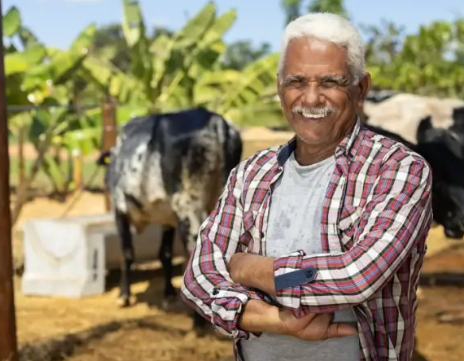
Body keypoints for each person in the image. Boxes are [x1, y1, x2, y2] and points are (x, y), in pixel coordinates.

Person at [180, 12, 432, 361]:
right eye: (297, 81)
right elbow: (199, 275)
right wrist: (274, 320)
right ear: (279, 87)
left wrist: (253, 269)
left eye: (330, 82)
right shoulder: (251, 174)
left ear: (360, 88)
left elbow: (355, 277)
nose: (311, 99)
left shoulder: (398, 169)